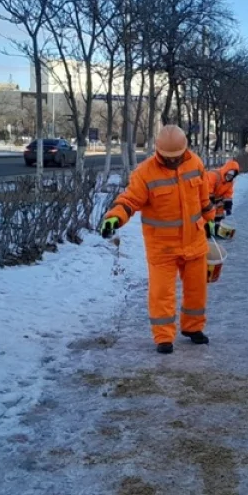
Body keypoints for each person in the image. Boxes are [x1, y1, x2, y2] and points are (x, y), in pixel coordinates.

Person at [100, 125, 217, 355]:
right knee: (161, 293)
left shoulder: (195, 163)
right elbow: (129, 200)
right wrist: (114, 218)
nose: (173, 162)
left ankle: (193, 328)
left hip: (194, 240)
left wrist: (210, 219)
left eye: (177, 157)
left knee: (197, 290)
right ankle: (163, 337)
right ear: (158, 151)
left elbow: (204, 197)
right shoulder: (145, 173)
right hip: (162, 247)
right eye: (168, 158)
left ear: (185, 149)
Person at [206, 159, 241, 224]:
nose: (229, 177)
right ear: (226, 172)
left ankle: (217, 225)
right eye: (229, 175)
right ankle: (207, 226)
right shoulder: (213, 175)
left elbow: (228, 194)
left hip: (217, 198)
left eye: (232, 176)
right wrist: (212, 205)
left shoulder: (230, 182)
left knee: (220, 208)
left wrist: (228, 206)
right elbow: (207, 191)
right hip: (206, 197)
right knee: (208, 213)